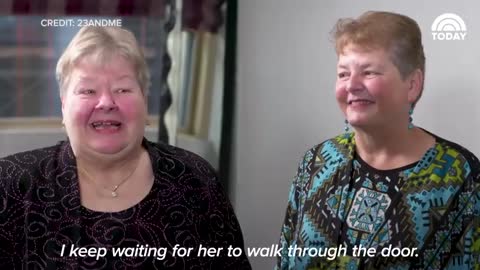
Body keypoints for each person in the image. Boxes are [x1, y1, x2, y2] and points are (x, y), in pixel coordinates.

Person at [0, 26, 251, 269]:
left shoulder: (195, 180)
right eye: (88, 90)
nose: (107, 102)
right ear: (64, 106)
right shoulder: (11, 184)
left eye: (122, 89)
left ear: (144, 101)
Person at [277, 11, 480, 269]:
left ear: (412, 85)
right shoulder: (315, 163)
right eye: (343, 74)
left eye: (368, 72)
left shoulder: (460, 176)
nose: (351, 85)